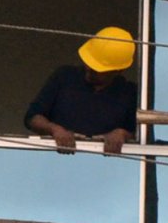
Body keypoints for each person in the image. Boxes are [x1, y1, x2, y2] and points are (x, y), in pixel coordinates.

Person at [25, 25, 138, 155]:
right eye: (88, 63)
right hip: (55, 161)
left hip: (105, 168)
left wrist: (122, 134)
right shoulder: (64, 76)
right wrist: (54, 130)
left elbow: (141, 135)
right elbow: (32, 117)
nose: (89, 70)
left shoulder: (129, 93)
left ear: (118, 71)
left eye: (98, 69)